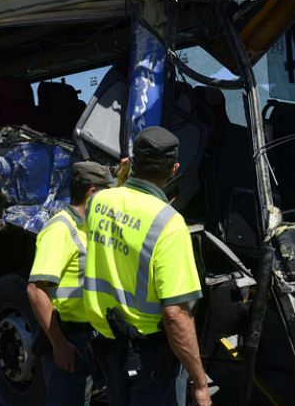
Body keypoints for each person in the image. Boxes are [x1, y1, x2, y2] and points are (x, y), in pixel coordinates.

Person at [82, 126, 211, 406]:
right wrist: (200, 383)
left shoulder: (98, 202)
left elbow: (120, 213)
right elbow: (175, 315)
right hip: (146, 357)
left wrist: (121, 179)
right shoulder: (169, 224)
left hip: (106, 342)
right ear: (174, 169)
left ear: (132, 163)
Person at [27, 161, 116, 406]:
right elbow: (36, 290)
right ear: (93, 193)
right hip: (68, 337)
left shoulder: (88, 226)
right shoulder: (60, 230)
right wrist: (59, 344)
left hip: (87, 337)